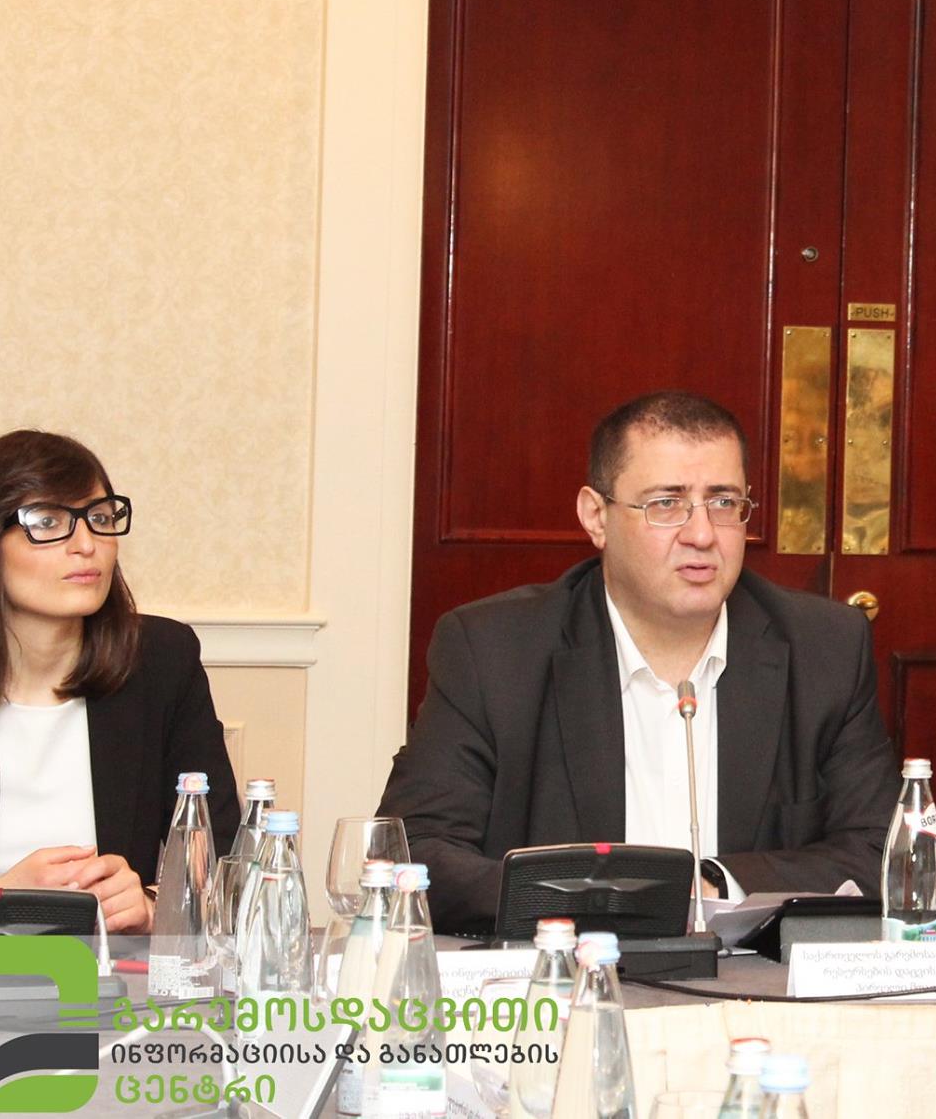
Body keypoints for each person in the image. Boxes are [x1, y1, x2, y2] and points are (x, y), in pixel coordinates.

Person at [379, 391, 897, 933]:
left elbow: (883, 850)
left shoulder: (825, 648)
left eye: (723, 502)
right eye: (666, 504)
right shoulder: (493, 650)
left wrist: (713, 885)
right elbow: (414, 851)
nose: (702, 535)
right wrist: (597, 901)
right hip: (565, 970)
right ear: (596, 517)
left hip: (752, 977)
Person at [0, 431, 239, 932]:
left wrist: (151, 905)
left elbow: (227, 859)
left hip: (108, 969)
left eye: (101, 518)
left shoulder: (161, 660)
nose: (87, 545)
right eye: (48, 523)